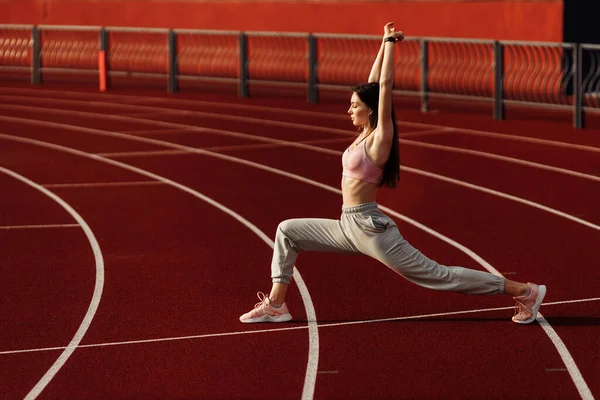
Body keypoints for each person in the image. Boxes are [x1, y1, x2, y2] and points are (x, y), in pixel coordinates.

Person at [239, 22, 546, 325]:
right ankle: (277, 305)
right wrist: (383, 40)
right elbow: (373, 85)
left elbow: (383, 88)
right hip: (348, 225)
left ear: (370, 110)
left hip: (371, 230)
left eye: (354, 106)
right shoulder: (365, 130)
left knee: (438, 275)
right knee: (287, 231)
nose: (349, 110)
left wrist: (390, 47)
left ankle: (524, 290)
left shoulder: (380, 139)